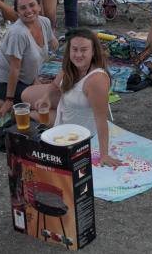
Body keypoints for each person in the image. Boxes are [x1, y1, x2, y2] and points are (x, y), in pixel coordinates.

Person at [22, 29, 121, 166]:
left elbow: (101, 119)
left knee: (30, 116)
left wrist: (104, 155)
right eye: (74, 49)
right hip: (66, 108)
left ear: (93, 52)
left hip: (79, 127)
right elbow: (55, 85)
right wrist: (46, 97)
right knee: (25, 95)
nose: (78, 54)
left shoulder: (97, 80)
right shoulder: (70, 65)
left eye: (84, 50)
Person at [0, 0, 57, 118]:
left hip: (25, 79)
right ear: (17, 12)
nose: (28, 10)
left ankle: (18, 98)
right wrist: (9, 100)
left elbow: (52, 42)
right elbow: (14, 69)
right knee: (39, 105)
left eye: (32, 5)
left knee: (51, 95)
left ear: (39, 6)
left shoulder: (44, 22)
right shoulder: (18, 33)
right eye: (23, 8)